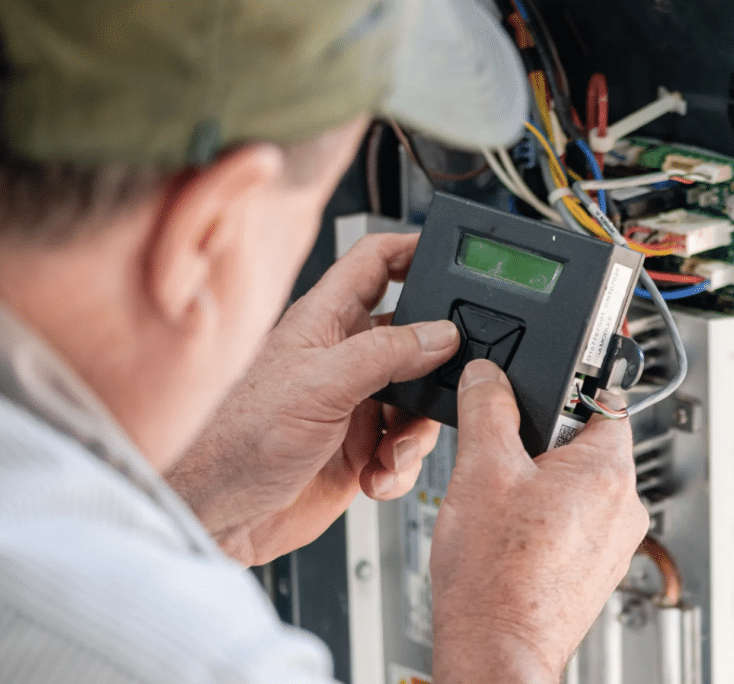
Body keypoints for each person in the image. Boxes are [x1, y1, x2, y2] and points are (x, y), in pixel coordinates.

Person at [0, 0, 649, 682]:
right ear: (208, 233)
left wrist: (196, 507)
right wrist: (507, 643)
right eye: (307, 214)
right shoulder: (195, 664)